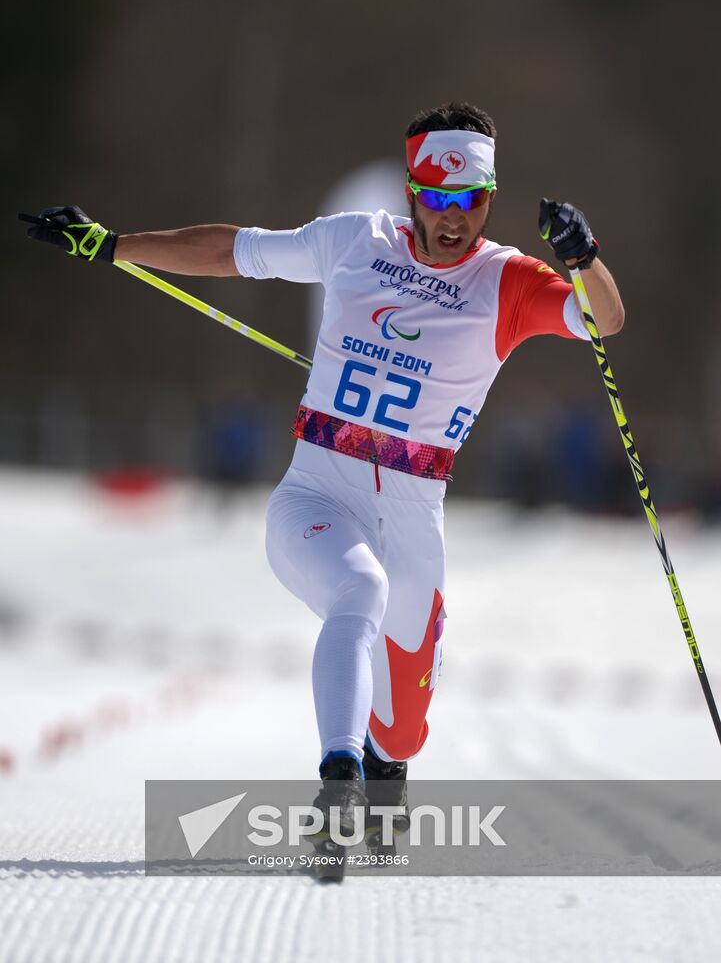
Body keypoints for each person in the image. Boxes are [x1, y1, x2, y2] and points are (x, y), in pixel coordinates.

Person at [22, 101, 624, 832]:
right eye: (436, 199)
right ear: (411, 192)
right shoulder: (355, 240)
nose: (451, 219)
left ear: (487, 199)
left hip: (413, 515)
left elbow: (604, 320)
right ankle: (338, 772)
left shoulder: (509, 281)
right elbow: (230, 251)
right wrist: (114, 244)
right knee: (357, 591)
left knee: (402, 730)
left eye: (467, 202)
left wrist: (583, 257)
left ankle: (380, 772)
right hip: (316, 491)